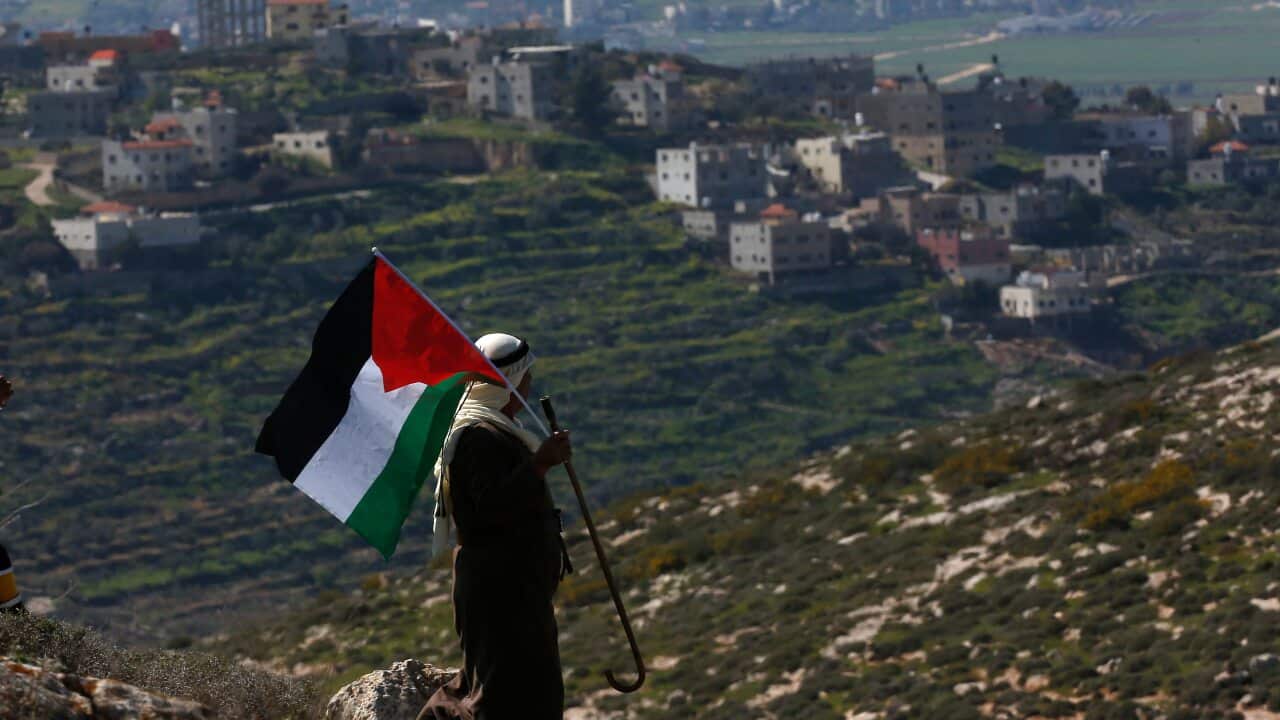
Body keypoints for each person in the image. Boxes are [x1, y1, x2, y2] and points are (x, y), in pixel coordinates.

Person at [420, 333, 573, 720]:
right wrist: (540, 464)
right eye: (526, 375)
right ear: (511, 380)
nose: (530, 384)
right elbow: (489, 508)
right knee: (506, 694)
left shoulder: (498, 430)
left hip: (513, 586)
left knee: (515, 685)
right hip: (499, 587)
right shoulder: (477, 437)